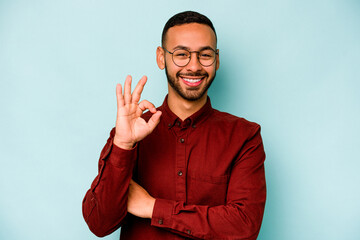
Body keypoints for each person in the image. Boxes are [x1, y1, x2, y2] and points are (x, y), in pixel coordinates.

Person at [82, 11, 266, 240]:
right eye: (181, 54)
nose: (194, 66)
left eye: (205, 55)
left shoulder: (244, 136)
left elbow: (244, 227)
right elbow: (99, 224)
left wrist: (152, 207)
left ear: (217, 60)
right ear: (161, 57)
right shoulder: (130, 132)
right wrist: (123, 144)